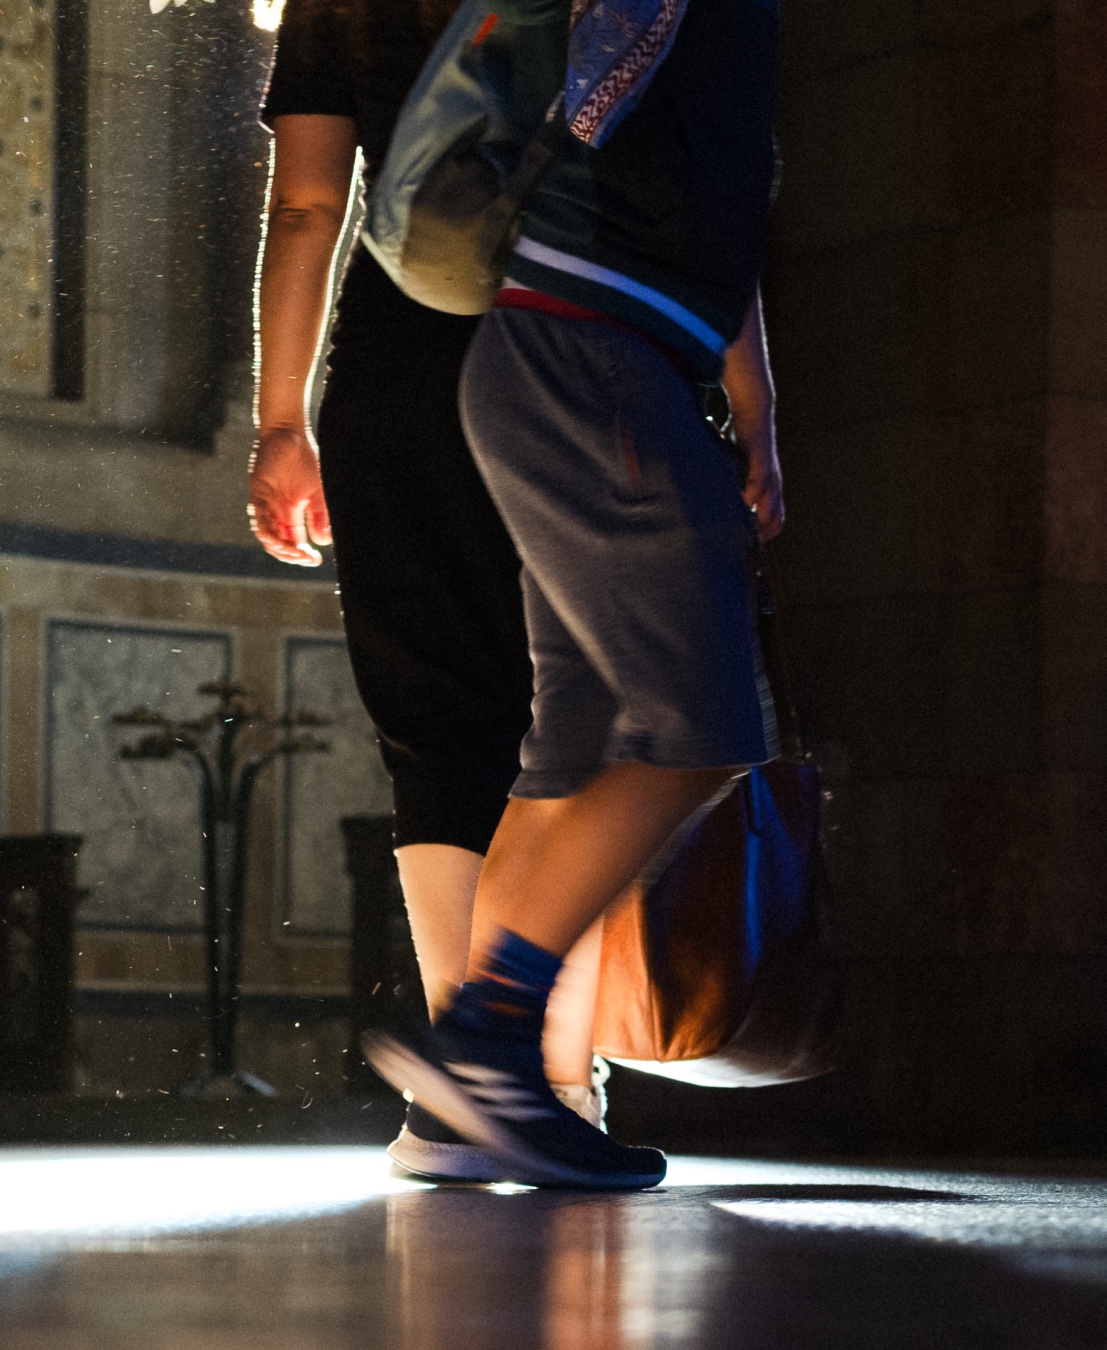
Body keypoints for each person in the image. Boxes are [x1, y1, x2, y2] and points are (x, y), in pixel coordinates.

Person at [367, 0, 788, 1190]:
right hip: (593, 353)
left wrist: (753, 399)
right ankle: (487, 1041)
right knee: (700, 725)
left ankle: (472, 1108)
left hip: (570, 350)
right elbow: (604, 106)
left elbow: (719, 197)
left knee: (579, 745)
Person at [249, 0, 605, 1184]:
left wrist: (280, 423)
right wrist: (744, 398)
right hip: (573, 352)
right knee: (578, 723)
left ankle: (461, 1100)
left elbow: (307, 204)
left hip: (402, 372)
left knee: (437, 718)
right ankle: (560, 1078)